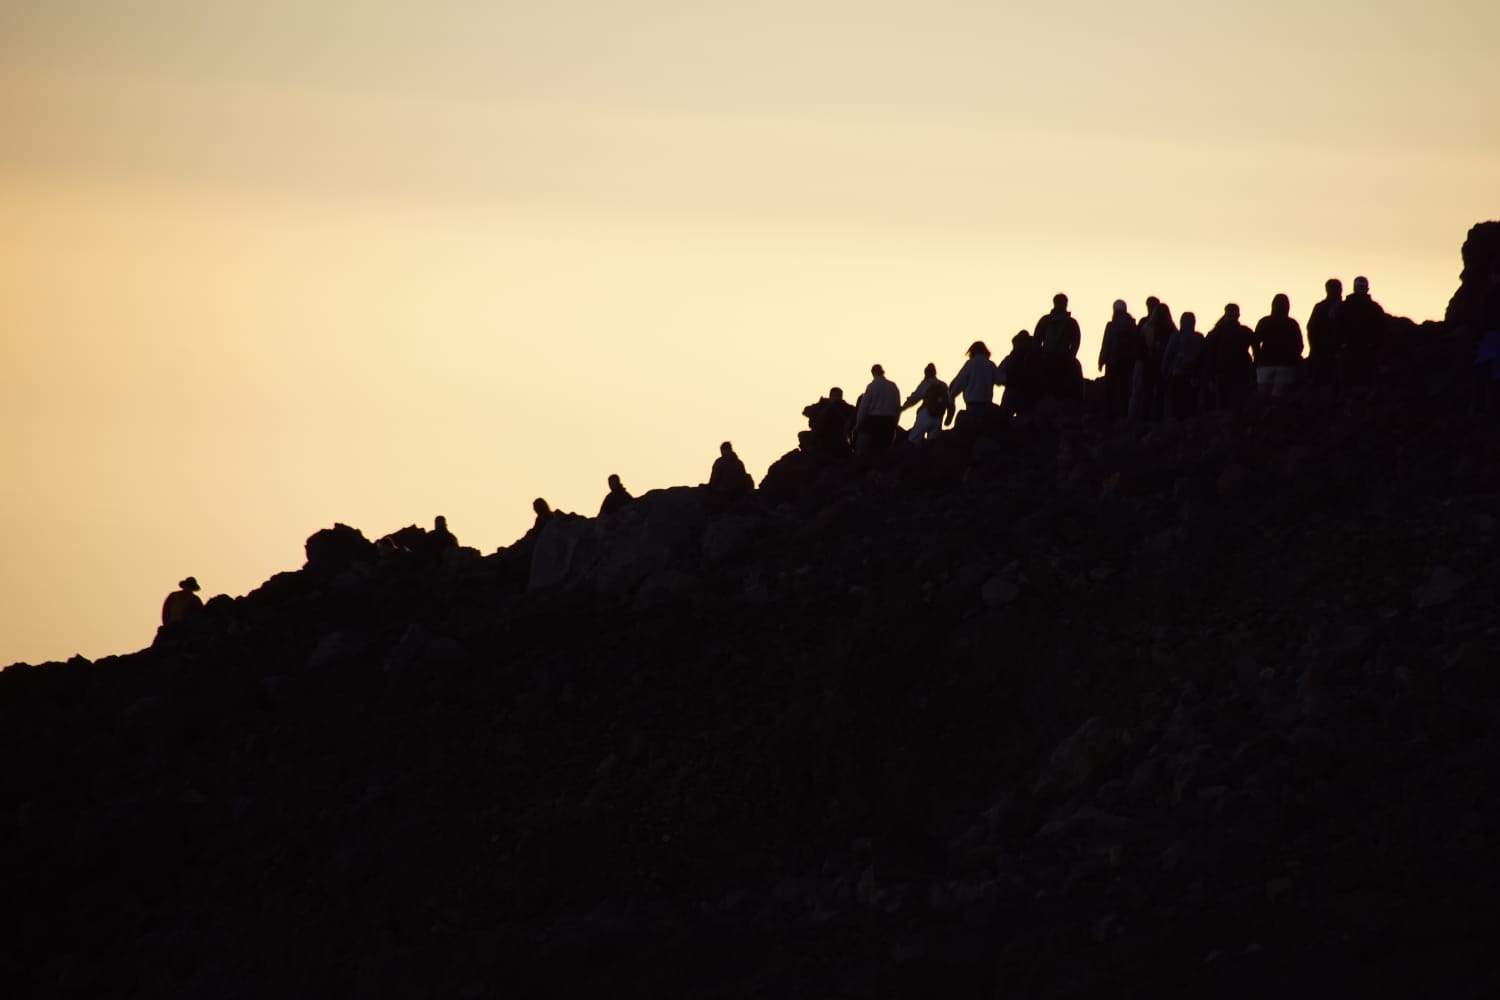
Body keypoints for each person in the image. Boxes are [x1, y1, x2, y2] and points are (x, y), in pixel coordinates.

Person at [1337, 275, 1387, 388]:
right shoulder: (1374, 308)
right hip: (1357, 352)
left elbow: (1381, 330)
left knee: (1356, 384)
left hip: (1362, 352)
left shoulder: (1344, 307)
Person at [1203, 303, 1254, 412]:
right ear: (1238, 315)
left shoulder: (1214, 333)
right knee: (1238, 405)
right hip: (1241, 372)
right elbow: (1256, 350)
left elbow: (1208, 356)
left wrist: (1209, 376)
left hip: (1220, 372)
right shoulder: (1246, 331)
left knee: (1222, 405)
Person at [1251, 293, 1304, 397]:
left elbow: (1255, 342)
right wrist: (1293, 359)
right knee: (1278, 396)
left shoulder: (1264, 321)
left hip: (1265, 364)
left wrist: (1257, 357)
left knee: (1262, 395)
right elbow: (1299, 345)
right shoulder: (1292, 323)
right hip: (1284, 364)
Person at [1098, 299, 1140, 420]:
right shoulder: (1133, 325)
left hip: (1112, 361)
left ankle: (1109, 415)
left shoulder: (1112, 325)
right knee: (1125, 389)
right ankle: (1125, 414)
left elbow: (1106, 343)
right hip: (1129, 362)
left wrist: (1101, 360)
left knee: (1110, 390)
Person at [1161, 310, 1205, 418]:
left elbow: (1168, 355)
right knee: (1190, 403)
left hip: (1177, 374)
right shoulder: (1199, 338)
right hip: (1194, 376)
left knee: (1176, 404)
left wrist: (1164, 372)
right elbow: (1203, 357)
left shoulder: (1175, 336)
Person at [947, 341, 1001, 427]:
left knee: (971, 431)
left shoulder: (970, 364)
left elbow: (959, 382)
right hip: (987, 406)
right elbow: (1000, 380)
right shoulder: (990, 364)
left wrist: (951, 394)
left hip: (972, 406)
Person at [853, 364, 901, 451]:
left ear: (873, 373)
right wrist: (895, 423)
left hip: (875, 421)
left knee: (871, 449)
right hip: (890, 421)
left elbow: (864, 407)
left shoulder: (872, 386)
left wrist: (858, 425)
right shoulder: (893, 386)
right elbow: (897, 406)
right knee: (885, 450)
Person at [1306, 278, 1343, 388]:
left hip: (1329, 351)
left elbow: (1311, 328)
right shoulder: (1322, 307)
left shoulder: (1321, 307)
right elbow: (1311, 328)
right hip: (1325, 352)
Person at [900, 363, 949, 443]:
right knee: (933, 443)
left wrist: (903, 407)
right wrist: (948, 419)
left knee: (913, 440)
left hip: (926, 415)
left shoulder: (925, 383)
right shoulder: (943, 385)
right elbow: (949, 403)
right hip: (939, 417)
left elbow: (914, 398)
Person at [801, 386, 855, 455]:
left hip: (834, 439)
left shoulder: (844, 407)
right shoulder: (825, 405)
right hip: (829, 439)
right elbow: (806, 411)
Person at [998, 331, 1041, 416]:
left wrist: (1007, 381)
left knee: (1003, 419)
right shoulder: (1035, 358)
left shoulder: (1010, 358)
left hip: (1011, 392)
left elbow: (998, 375)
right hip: (1028, 394)